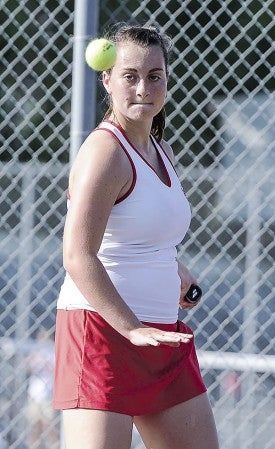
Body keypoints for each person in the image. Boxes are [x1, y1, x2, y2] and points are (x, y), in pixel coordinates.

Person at [53, 23, 219, 449]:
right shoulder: (104, 152)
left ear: (166, 80)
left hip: (162, 335)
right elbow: (78, 255)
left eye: (154, 76)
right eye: (130, 76)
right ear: (107, 80)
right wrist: (130, 328)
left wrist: (173, 268)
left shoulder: (160, 150)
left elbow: (138, 235)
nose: (143, 87)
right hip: (104, 334)